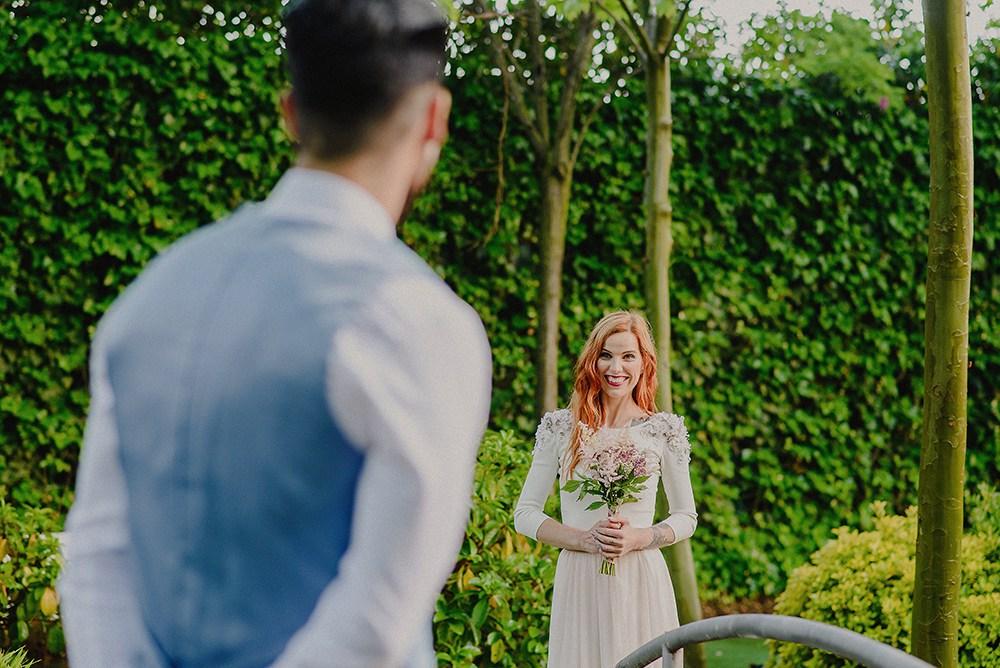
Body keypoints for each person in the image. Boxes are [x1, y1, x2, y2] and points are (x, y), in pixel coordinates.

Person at [57, 1, 492, 666]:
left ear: (290, 112)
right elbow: (377, 618)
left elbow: (94, 557)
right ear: (435, 116)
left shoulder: (148, 297)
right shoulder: (414, 319)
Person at [513, 310, 697, 668]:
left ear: (645, 363)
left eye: (628, 356)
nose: (616, 367)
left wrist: (641, 537)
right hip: (580, 579)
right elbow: (525, 514)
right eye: (606, 355)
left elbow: (686, 517)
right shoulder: (560, 427)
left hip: (641, 578)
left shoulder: (663, 430)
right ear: (592, 361)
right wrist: (583, 539)